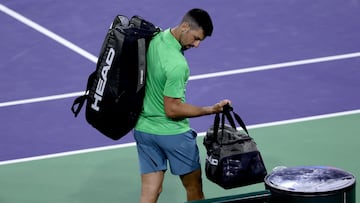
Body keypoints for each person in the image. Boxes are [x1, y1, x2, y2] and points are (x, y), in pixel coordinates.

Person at [134, 8, 231, 203]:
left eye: (200, 41)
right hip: (173, 135)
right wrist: (210, 109)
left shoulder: (155, 38)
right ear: (185, 26)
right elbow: (172, 109)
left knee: (149, 192)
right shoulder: (178, 64)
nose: (196, 45)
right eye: (196, 38)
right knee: (194, 187)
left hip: (144, 131)